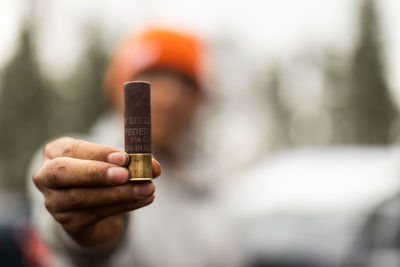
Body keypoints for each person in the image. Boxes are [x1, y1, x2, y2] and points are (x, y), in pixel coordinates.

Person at [27, 27, 240, 267]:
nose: (171, 96)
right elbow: (62, 242)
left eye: (185, 82)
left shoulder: (213, 184)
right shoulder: (72, 160)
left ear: (200, 100)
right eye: (155, 75)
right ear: (119, 86)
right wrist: (87, 234)